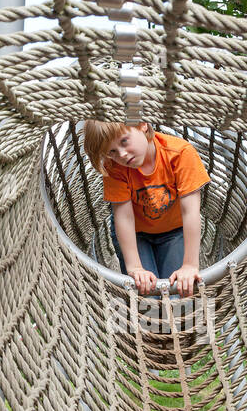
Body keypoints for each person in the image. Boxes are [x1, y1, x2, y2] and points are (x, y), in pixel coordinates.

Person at [81, 119, 209, 298]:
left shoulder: (180, 154)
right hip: (136, 234)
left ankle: (178, 322)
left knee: (179, 291)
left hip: (174, 231)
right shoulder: (115, 168)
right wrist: (135, 267)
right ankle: (147, 323)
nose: (122, 154)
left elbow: (191, 212)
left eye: (124, 141)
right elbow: (124, 217)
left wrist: (189, 265)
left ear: (142, 124)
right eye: (112, 151)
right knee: (147, 292)